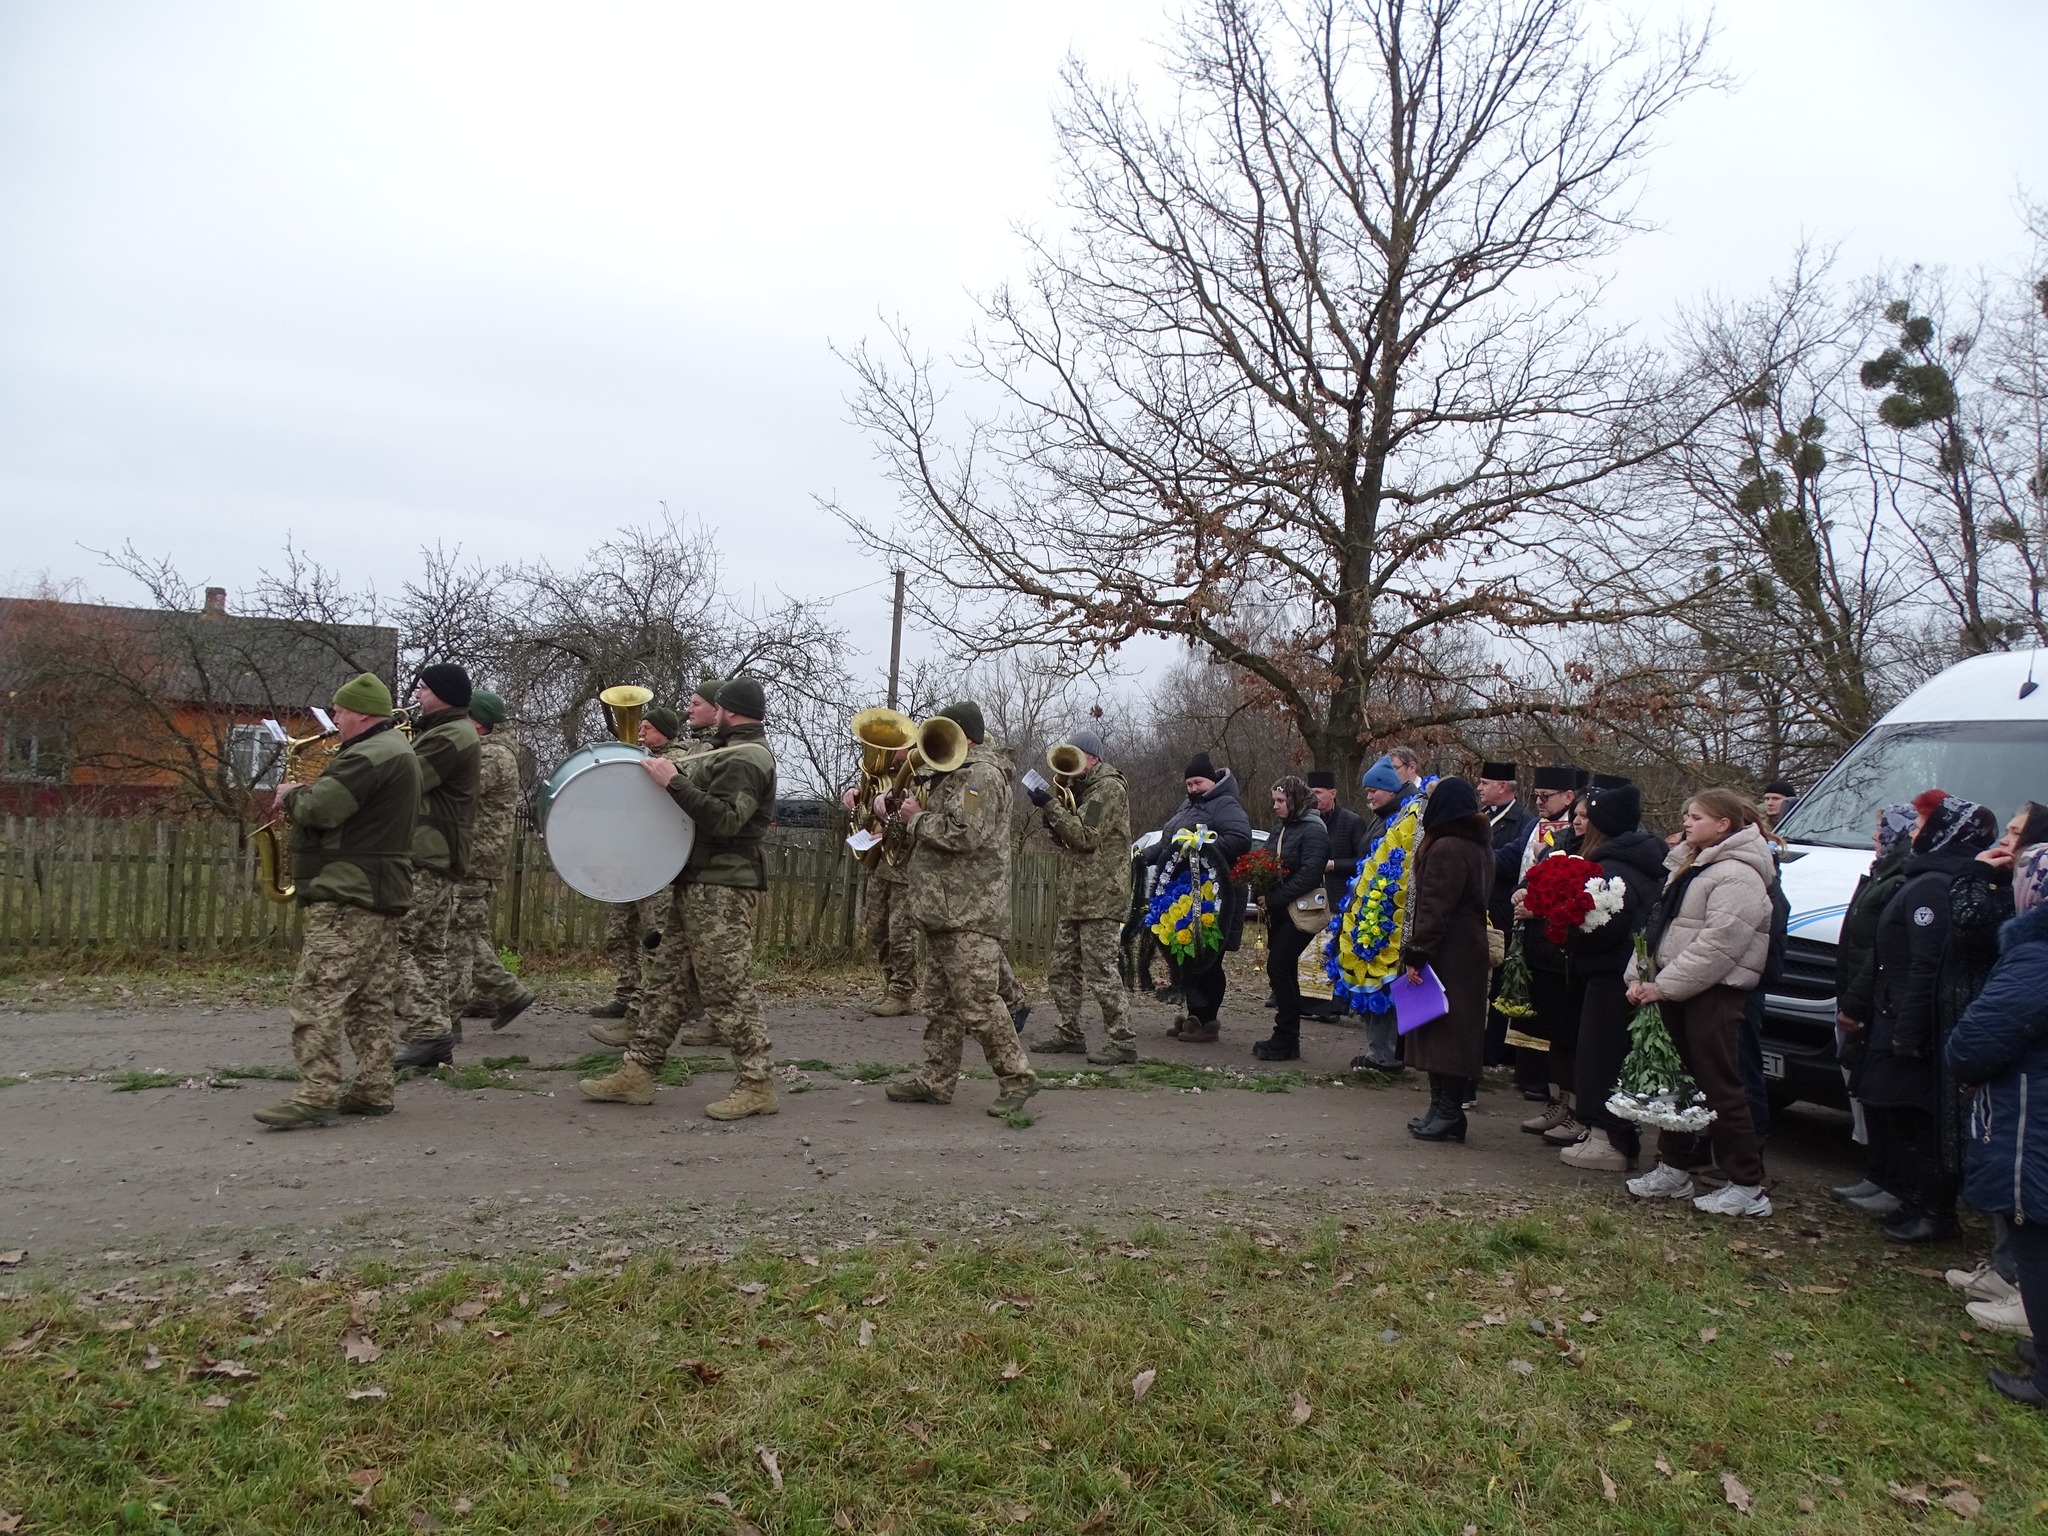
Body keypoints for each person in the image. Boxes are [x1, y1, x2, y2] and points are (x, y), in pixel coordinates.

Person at [580, 676, 781, 1120]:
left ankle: (757, 1082)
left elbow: (727, 820)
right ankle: (638, 1071)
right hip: (697, 882)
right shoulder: (723, 750)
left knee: (727, 989)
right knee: (666, 982)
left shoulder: (747, 757)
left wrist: (673, 783)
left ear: (729, 708)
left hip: (724, 888)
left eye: (716, 704)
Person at [254, 673, 422, 1129]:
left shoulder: (369, 755)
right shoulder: (395, 750)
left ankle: (316, 1093)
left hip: (349, 893)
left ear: (363, 713)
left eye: (341, 711)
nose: (336, 720)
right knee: (369, 998)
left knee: (316, 995)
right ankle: (372, 1088)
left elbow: (322, 809)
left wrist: (292, 796)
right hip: (378, 890)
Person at [1623, 788, 1778, 1217]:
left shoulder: (1738, 874)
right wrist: (1639, 977)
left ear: (1724, 824)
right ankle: (1673, 1168)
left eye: (1696, 817)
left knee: (1720, 1087)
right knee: (1679, 1084)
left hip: (1714, 993)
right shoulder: (1691, 865)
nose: (1686, 823)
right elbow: (1661, 926)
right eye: (1687, 816)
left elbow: (1720, 944)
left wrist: (1665, 985)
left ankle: (1747, 1186)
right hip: (1677, 989)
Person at [1859, 792, 2006, 1242]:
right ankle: (1917, 1201)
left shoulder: (1935, 885)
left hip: (1914, 1018)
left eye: (1924, 827)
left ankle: (1936, 1211)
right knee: (1901, 1114)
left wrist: (1909, 1028)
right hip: (1900, 1009)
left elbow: (1928, 962)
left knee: (1921, 1118)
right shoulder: (1927, 878)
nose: (1914, 835)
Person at [882, 702, 1038, 1116]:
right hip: (941, 911)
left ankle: (1017, 1077)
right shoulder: (952, 775)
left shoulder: (980, 777)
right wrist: (899, 812)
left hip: (969, 914)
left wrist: (916, 820)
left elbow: (964, 834)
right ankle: (935, 1080)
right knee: (939, 1005)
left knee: (979, 1004)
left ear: (965, 737)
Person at [1946, 845, 2048, 1407]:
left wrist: (1964, 1061)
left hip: (2035, 1112)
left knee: (2035, 1233)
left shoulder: (2036, 957)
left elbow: (1979, 1040)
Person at [587, 693, 720, 1048]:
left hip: (657, 866)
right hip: (630, 861)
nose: (641, 732)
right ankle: (629, 995)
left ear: (663, 732)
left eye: (647, 727)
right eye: (639, 726)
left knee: (656, 941)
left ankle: (654, 1013)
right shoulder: (641, 758)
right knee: (620, 933)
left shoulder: (677, 760)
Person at [1556, 784, 1666, 1171]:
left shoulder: (1614, 870)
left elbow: (1603, 926)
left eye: (1587, 816)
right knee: (1600, 1054)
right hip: (1619, 973)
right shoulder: (1635, 862)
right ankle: (1601, 1131)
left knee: (1601, 1057)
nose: (1578, 824)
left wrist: (1565, 926)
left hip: (1611, 974)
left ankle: (1610, 1138)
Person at [392, 664, 483, 1072]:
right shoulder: (447, 731)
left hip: (429, 853)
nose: (417, 695)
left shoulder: (450, 736)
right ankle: (433, 1039)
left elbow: (405, 781)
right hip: (440, 854)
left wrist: (377, 743)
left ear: (443, 694)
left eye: (423, 688)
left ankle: (428, 1030)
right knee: (429, 949)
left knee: (389, 944)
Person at [1026, 729, 1136, 1063]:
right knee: (1061, 968)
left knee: (1101, 970)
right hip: (1078, 895)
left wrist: (1050, 807)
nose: (1070, 768)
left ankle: (1122, 1041)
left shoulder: (1107, 789)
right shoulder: (1083, 789)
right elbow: (1071, 840)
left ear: (1092, 758)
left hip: (1101, 896)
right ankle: (1069, 1032)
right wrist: (1052, 821)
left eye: (1076, 758)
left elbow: (1086, 837)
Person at [1831, 803, 1919, 1218]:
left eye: (1882, 829)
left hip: (1875, 1000)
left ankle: (1896, 1181)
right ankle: (1879, 1174)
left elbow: (1879, 953)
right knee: (1866, 1089)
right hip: (1861, 993)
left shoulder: (1900, 879)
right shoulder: (1882, 872)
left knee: (1883, 1095)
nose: (1874, 836)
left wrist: (1855, 1000)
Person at [1400, 777, 1494, 1142]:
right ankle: (1441, 1108)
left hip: (1447, 951)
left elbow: (1434, 908)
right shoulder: (1477, 845)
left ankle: (1447, 1111)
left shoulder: (1447, 848)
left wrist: (1417, 953)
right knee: (1451, 1030)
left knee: (1444, 1032)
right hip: (1467, 948)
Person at [449, 689, 535, 1037]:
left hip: (476, 858)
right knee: (469, 932)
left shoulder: (493, 756)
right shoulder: (489, 750)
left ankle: (450, 1015)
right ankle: (499, 993)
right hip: (472, 857)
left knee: (456, 936)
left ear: (477, 722)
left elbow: (456, 789)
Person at [1151, 753, 1254, 1044]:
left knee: (1210, 960)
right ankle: (1194, 1015)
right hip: (1187, 893)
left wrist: (1200, 845)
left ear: (1212, 781)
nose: (1193, 788)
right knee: (1191, 957)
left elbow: (1240, 838)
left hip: (1218, 895)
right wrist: (1143, 857)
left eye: (1198, 782)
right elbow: (1167, 842)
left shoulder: (1226, 804)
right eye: (1189, 783)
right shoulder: (1188, 805)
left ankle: (1208, 1019)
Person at [1515, 775, 1589, 1142]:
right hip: (1546, 954)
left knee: (1576, 1039)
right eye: (1576, 814)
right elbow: (1533, 878)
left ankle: (1579, 1111)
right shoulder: (1557, 843)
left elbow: (1584, 904)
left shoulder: (1602, 854)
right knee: (1557, 1037)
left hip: (1573, 958)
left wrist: (1538, 908)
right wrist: (1521, 893)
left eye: (1585, 815)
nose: (1577, 820)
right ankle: (1561, 1103)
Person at [1345, 754, 1420, 1070]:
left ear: (1390, 789)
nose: (1369, 796)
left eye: (1374, 789)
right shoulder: (1382, 814)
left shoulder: (1406, 817)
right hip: (1371, 909)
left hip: (1391, 911)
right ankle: (1381, 1051)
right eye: (1366, 792)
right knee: (1372, 978)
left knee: (1386, 981)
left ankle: (1385, 1055)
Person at [1252, 775, 1330, 1062]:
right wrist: (1258, 886)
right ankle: (1286, 1036)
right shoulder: (1280, 829)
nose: (1275, 806)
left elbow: (1310, 873)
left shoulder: (1314, 831)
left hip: (1300, 911)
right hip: (1281, 912)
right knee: (1282, 970)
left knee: (1279, 967)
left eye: (1281, 801)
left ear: (1295, 801)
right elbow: (1264, 860)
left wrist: (1274, 897)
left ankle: (1286, 1036)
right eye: (1274, 800)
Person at [845, 733, 920, 1018]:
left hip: (906, 866)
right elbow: (868, 817)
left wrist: (893, 803)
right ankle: (890, 984)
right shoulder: (880, 775)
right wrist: (856, 795)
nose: (888, 751)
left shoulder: (921, 773)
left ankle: (902, 992)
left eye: (896, 746)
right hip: (882, 864)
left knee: (902, 932)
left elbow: (918, 812)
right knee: (876, 928)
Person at [1305, 770, 1369, 1022]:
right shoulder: (1307, 820)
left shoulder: (1351, 822)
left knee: (1334, 952)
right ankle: (1310, 1003)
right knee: (1311, 954)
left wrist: (1333, 865)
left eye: (1318, 793)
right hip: (1311, 897)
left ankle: (1334, 1007)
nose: (1314, 798)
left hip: (1340, 896)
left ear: (1333, 793)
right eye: (1310, 794)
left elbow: (1362, 861)